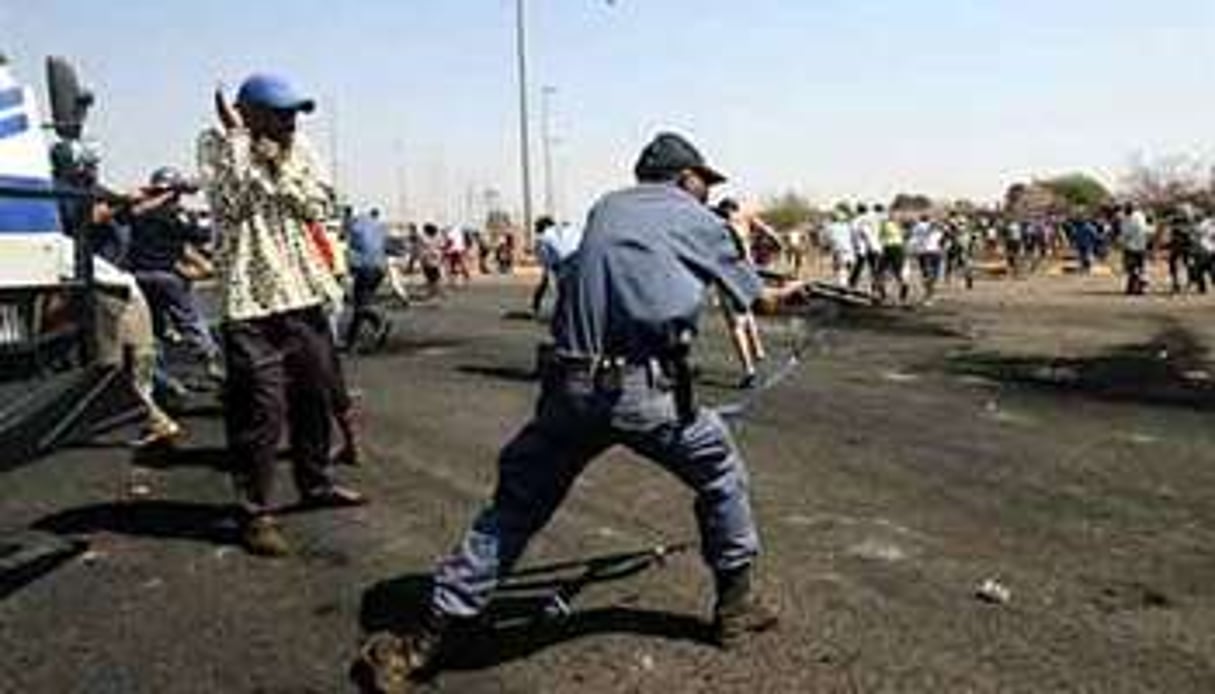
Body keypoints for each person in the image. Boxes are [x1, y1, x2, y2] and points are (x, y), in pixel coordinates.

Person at [371, 132, 793, 680]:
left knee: (516, 506)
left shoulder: (606, 208)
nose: (706, 193)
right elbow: (758, 299)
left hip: (569, 387)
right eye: (703, 183)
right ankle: (735, 610)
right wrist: (786, 293)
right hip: (646, 394)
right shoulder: (699, 219)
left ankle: (425, 642)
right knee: (721, 475)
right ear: (685, 178)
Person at [197, 73, 366, 557]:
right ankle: (254, 512)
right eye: (279, 114)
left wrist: (273, 164)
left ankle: (315, 481)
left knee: (315, 395)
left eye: (294, 114)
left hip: (301, 293)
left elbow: (317, 202)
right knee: (262, 409)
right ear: (247, 113)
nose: (290, 123)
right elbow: (234, 199)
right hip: (250, 303)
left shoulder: (299, 149)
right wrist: (241, 143)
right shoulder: (217, 144)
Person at [126, 166, 223, 382]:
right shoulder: (173, 214)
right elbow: (199, 235)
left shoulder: (139, 212)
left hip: (139, 276)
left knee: (153, 328)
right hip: (167, 276)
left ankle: (157, 376)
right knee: (190, 321)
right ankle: (212, 361)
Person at [714, 197, 767, 388]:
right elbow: (770, 234)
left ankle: (749, 370)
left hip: (728, 277)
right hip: (747, 274)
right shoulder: (744, 221)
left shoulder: (719, 228)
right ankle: (758, 349)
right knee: (747, 312)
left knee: (736, 325)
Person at [343, 207, 390, 350]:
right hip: (379, 268)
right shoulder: (377, 225)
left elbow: (351, 251)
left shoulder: (353, 225)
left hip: (365, 267)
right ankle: (351, 340)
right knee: (362, 302)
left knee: (361, 304)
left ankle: (380, 320)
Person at [529, 215, 584, 317]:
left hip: (564, 263)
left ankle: (546, 310)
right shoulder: (569, 228)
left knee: (560, 290)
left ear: (541, 227)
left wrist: (549, 269)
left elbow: (544, 259)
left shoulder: (542, 237)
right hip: (581, 257)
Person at [1119, 203, 1153, 295]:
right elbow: (1146, 230)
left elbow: (1127, 233)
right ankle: (1136, 287)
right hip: (1139, 246)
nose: (1125, 211)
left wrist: (1123, 240)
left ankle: (1138, 287)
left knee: (1135, 267)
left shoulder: (1132, 218)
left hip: (1134, 247)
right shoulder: (1137, 216)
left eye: (1126, 209)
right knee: (1138, 267)